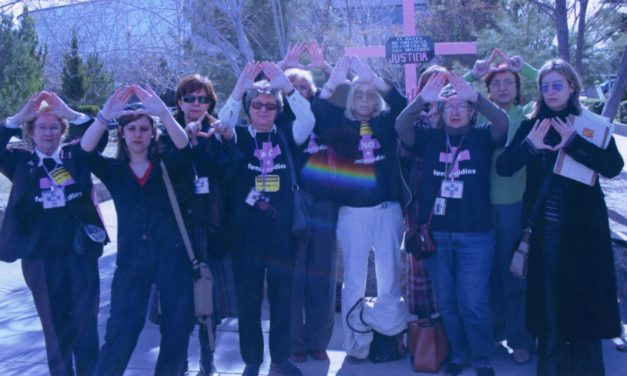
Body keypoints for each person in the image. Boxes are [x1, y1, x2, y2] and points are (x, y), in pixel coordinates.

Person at [496, 59, 624, 375]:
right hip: (546, 230)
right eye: (545, 85)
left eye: (557, 85)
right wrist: (530, 145)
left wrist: (574, 143)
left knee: (584, 304)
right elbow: (504, 168)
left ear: (571, 87)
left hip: (586, 231)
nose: (551, 91)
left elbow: (612, 167)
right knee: (551, 308)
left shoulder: (588, 123)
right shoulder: (532, 124)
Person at [396, 71, 509, 376]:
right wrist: (423, 100)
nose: (456, 112)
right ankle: (459, 355)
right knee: (447, 303)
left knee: (473, 303)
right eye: (450, 107)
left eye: (463, 107)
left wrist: (478, 98)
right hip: (436, 236)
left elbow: (502, 125)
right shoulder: (430, 138)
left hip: (476, 236)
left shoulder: (483, 137)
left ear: (471, 112)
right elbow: (401, 125)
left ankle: (482, 357)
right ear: (441, 112)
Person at [80, 85, 197, 376]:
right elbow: (85, 151)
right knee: (121, 331)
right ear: (122, 133)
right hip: (132, 262)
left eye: (144, 129)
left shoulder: (167, 165)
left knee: (176, 331)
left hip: (172, 259)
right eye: (131, 129)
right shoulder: (115, 170)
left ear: (152, 133)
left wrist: (162, 112)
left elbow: (185, 147)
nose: (137, 134)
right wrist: (105, 115)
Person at [218, 61, 315, 376]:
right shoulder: (239, 136)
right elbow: (222, 120)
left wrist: (285, 84)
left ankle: (281, 358)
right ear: (249, 109)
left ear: (277, 109)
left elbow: (308, 117)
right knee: (247, 302)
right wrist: (240, 85)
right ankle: (251, 360)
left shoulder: (288, 135)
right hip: (244, 234)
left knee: (282, 299)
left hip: (282, 232)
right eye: (257, 105)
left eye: (270, 106)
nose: (263, 109)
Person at [0, 91, 107, 375]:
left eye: (54, 127)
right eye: (41, 127)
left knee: (86, 329)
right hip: (40, 260)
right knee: (55, 333)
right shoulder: (20, 162)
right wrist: (17, 118)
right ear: (31, 133)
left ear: (63, 132)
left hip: (80, 256)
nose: (48, 133)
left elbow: (100, 136)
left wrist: (71, 114)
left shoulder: (75, 155)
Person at [313, 56, 408, 363]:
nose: (365, 99)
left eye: (370, 94)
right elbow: (318, 110)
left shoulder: (385, 124)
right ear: (351, 100)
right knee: (353, 279)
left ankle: (389, 339)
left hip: (387, 210)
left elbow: (405, 105)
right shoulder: (338, 127)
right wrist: (333, 80)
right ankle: (356, 344)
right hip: (352, 213)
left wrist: (375, 78)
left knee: (389, 278)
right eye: (359, 95)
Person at [466, 49, 538, 364]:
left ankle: (520, 339)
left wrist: (530, 70)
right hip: (478, 207)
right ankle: (492, 337)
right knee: (484, 277)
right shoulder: (478, 114)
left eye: (509, 82)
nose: (503, 88)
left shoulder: (527, 115)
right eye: (497, 84)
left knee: (514, 275)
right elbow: (443, 99)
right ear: (488, 90)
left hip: (512, 206)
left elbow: (560, 90)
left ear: (517, 88)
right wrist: (472, 73)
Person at [275, 42, 340, 364]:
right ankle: (296, 341)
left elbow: (351, 91)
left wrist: (324, 64)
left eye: (304, 86)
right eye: (292, 87)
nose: (298, 91)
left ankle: (318, 339)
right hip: (295, 203)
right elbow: (257, 89)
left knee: (323, 275)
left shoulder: (326, 112)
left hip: (326, 202)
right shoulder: (280, 120)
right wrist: (282, 65)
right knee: (295, 276)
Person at [172, 73, 237, 375]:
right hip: (179, 230)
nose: (197, 104)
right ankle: (179, 360)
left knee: (210, 301)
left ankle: (207, 361)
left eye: (203, 99)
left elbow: (231, 175)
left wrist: (226, 141)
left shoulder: (218, 132)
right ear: (179, 102)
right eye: (190, 98)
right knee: (181, 300)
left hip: (211, 227)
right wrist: (184, 140)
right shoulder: (168, 133)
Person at [402, 65, 448, 321]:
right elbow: (403, 152)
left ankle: (450, 328)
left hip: (452, 200)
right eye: (431, 84)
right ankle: (425, 331)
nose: (436, 90)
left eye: (441, 84)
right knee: (420, 261)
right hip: (419, 200)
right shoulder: (413, 118)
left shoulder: (458, 113)